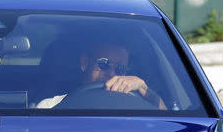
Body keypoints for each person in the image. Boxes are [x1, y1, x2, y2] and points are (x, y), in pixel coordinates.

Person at [36, 41, 166, 109]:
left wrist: (144, 88)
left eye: (120, 68)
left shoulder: (138, 106)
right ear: (85, 62)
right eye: (104, 63)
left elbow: (168, 123)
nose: (111, 73)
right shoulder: (51, 107)